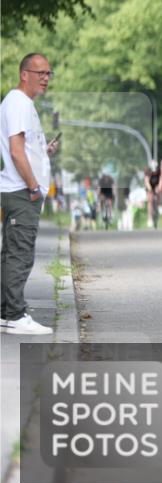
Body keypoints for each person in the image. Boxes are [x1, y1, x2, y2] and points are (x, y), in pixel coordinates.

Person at [1, 53, 59, 334]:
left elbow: (23, 148)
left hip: (20, 189)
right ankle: (14, 315)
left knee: (12, 252)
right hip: (22, 191)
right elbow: (15, 151)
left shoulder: (21, 104)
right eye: (40, 73)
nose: (46, 78)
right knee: (20, 254)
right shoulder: (19, 103)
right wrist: (34, 186)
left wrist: (42, 151)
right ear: (24, 74)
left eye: (49, 73)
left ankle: (6, 312)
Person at [144, 159, 161, 228]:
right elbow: (146, 181)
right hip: (150, 186)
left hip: (157, 185)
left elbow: (161, 180)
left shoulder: (159, 171)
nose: (154, 172)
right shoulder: (147, 172)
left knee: (159, 191)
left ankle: (159, 205)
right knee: (149, 200)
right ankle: (149, 218)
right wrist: (150, 189)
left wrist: (159, 187)